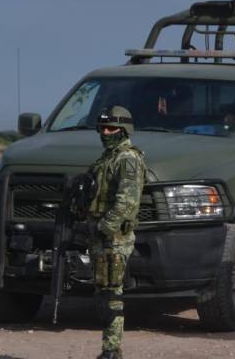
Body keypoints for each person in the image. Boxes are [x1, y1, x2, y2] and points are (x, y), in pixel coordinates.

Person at [87, 105, 146, 359]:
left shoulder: (127, 159)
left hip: (114, 236)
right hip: (101, 234)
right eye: (102, 128)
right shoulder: (106, 158)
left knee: (112, 292)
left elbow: (127, 201)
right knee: (103, 291)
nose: (105, 132)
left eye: (111, 128)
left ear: (123, 130)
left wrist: (105, 227)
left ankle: (111, 350)